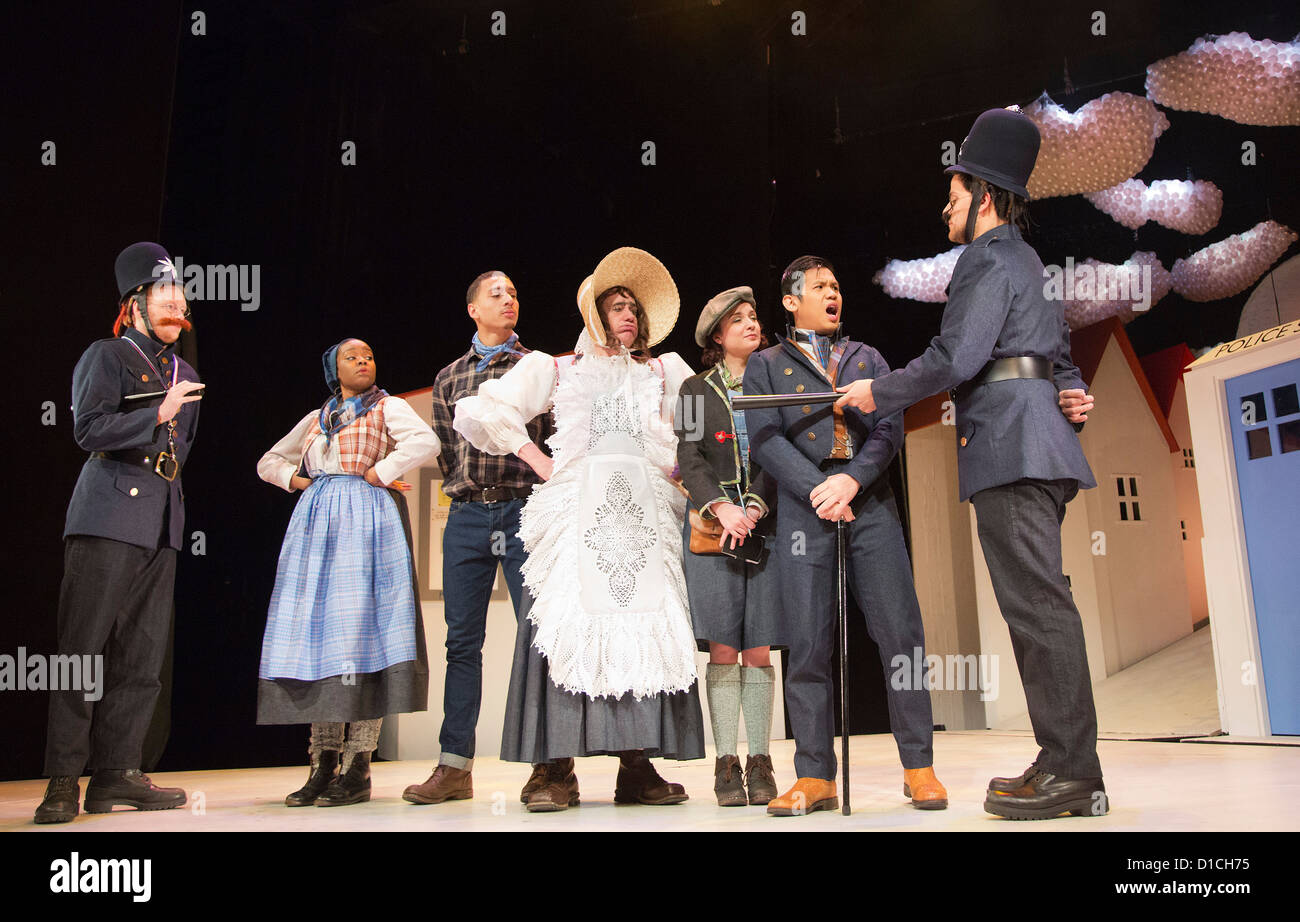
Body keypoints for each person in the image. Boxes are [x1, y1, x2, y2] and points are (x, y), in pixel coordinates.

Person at [835, 106, 1104, 820]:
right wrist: (1069, 389)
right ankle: (1064, 760)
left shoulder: (985, 259)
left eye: (952, 196)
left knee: (1039, 608)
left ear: (983, 196)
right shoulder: (1027, 260)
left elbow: (956, 358)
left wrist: (877, 390)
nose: (943, 207)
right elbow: (1058, 355)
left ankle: (1075, 771)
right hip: (1033, 441)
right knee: (1038, 604)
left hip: (1013, 449)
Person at [454, 247, 704, 812]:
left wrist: (681, 467)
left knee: (643, 623)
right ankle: (554, 770)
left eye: (634, 308)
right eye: (616, 306)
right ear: (594, 313)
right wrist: (539, 461)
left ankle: (636, 768)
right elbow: (481, 410)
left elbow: (703, 421)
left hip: (645, 517)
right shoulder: (558, 366)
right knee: (564, 623)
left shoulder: (664, 370)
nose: (628, 316)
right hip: (577, 514)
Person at [745, 255, 948, 816]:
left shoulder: (868, 357)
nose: (833, 294)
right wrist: (820, 489)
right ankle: (814, 776)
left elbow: (890, 427)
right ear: (790, 301)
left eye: (837, 286)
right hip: (807, 510)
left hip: (870, 505)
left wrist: (852, 481)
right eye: (820, 287)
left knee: (900, 633)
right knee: (807, 643)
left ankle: (919, 766)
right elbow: (765, 440)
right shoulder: (765, 363)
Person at [35, 242, 203, 824]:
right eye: (163, 295)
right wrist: (154, 415)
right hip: (108, 513)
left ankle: (117, 773)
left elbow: (180, 452)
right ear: (133, 304)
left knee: (142, 657)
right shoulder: (107, 355)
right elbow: (88, 429)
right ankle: (62, 780)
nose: (175, 306)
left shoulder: (185, 372)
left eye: (180, 297)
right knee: (82, 652)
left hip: (162, 521)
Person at [256, 338, 439, 807]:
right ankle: (322, 762)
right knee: (320, 638)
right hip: (318, 522)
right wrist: (296, 481)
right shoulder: (319, 418)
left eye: (370, 356)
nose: (363, 361)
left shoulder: (387, 407)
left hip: (366, 516)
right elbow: (269, 461)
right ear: (333, 369)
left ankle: (358, 765)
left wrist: (380, 471)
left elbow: (425, 440)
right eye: (352, 357)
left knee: (362, 632)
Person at [402, 271, 555, 806]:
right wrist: (468, 492)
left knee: (537, 637)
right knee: (461, 642)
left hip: (524, 509)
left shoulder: (538, 368)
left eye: (514, 292)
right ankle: (454, 765)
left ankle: (549, 766)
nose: (509, 299)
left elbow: (551, 437)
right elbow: (447, 446)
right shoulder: (449, 377)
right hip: (467, 514)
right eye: (497, 294)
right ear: (473, 309)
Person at [675, 286, 782, 806]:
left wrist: (756, 506)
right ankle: (725, 762)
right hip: (714, 529)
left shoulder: (773, 384)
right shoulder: (695, 390)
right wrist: (722, 507)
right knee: (722, 643)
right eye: (736, 320)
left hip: (762, 526)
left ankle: (761, 760)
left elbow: (777, 452)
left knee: (758, 643)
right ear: (717, 336)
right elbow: (689, 457)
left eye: (753, 316)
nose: (749, 323)